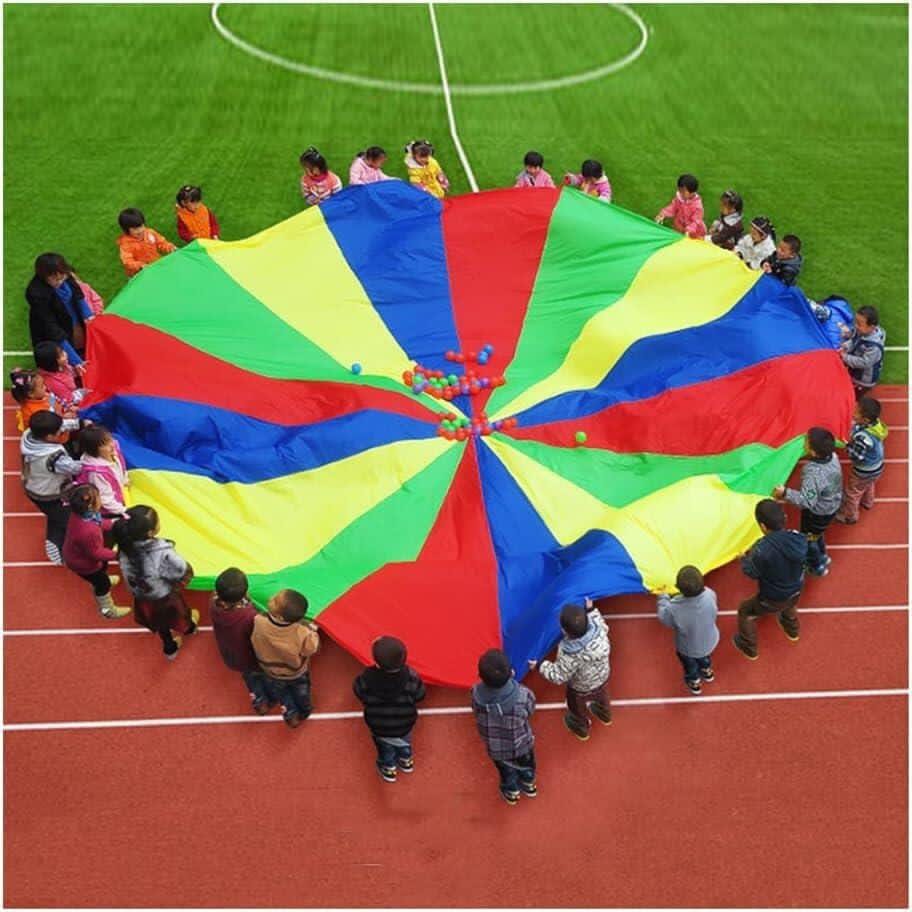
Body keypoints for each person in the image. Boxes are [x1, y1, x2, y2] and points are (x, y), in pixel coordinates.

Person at [113, 505, 198, 659]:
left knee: (160, 624)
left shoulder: (124, 548)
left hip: (143, 598)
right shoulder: (162, 551)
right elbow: (180, 569)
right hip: (163, 597)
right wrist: (179, 580)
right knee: (179, 614)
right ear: (150, 532)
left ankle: (169, 648)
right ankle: (189, 628)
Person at [733, 499, 808, 660]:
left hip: (772, 597)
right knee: (790, 605)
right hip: (796, 589)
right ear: (785, 518)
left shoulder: (761, 549)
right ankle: (792, 630)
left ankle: (749, 647)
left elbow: (751, 572)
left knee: (745, 611)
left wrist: (744, 559)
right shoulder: (798, 538)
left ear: (762, 527)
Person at [529, 598, 612, 740]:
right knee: (601, 695)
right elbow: (599, 621)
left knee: (575, 706)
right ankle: (604, 713)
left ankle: (579, 725)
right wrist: (591, 610)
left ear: (563, 630)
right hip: (602, 677)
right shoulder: (599, 630)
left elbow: (558, 676)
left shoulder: (569, 653)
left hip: (580, 688)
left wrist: (540, 665)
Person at [353, 636, 426, 782]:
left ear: (377, 662)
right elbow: (420, 695)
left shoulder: (365, 678)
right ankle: (406, 761)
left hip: (378, 725)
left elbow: (359, 693)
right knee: (404, 743)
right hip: (404, 723)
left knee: (385, 748)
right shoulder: (411, 677)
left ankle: (389, 768)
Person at [471, 648, 537, 805]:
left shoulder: (475, 694)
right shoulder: (523, 695)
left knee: (505, 770)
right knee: (527, 765)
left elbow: (474, 709)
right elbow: (530, 709)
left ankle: (511, 790)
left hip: (496, 748)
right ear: (511, 673)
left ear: (481, 676)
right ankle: (528, 784)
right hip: (522, 743)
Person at [774, 427, 843, 577]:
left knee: (808, 539)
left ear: (813, 452)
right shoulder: (834, 456)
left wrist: (785, 493)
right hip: (832, 505)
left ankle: (816, 565)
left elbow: (807, 501)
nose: (803, 443)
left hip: (818, 513)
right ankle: (823, 555)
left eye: (806, 442)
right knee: (817, 534)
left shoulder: (812, 472)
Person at [20, 410, 83, 565]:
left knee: (57, 515)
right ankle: (58, 547)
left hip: (35, 488)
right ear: (49, 437)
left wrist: (80, 423)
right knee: (68, 519)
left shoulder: (30, 435)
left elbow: (61, 425)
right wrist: (94, 460)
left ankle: (54, 538)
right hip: (50, 494)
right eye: (58, 432)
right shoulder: (54, 458)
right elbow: (75, 468)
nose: (61, 432)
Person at [251, 589, 320, 728]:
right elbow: (311, 649)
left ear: (281, 617)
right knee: (301, 692)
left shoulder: (259, 621)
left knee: (282, 693)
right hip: (295, 672)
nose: (271, 597)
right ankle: (304, 710)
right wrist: (313, 631)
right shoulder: (302, 632)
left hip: (270, 670)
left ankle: (290, 713)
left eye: (275, 600)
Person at [211, 567, 274, 714]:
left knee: (249, 677)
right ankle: (269, 696)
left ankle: (258, 698)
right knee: (262, 675)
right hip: (250, 657)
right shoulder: (248, 617)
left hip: (231, 654)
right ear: (245, 592)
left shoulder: (213, 603)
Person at [62, 484, 131, 619]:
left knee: (100, 577)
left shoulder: (83, 515)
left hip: (75, 555)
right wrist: (118, 555)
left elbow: (99, 522)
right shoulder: (88, 530)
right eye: (99, 497)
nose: (101, 499)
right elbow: (96, 553)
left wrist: (113, 523)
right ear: (89, 505)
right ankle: (107, 610)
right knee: (102, 585)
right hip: (84, 564)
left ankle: (102, 579)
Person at [656, 566, 720, 695]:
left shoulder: (674, 609)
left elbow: (664, 617)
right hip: (710, 641)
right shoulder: (710, 594)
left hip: (688, 649)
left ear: (678, 588)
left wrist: (663, 597)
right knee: (705, 657)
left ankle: (694, 681)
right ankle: (707, 671)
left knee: (690, 666)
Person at [26, 252, 94, 365]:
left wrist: (88, 315)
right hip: (53, 329)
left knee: (81, 344)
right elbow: (51, 328)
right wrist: (75, 361)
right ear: (44, 276)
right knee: (63, 362)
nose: (60, 281)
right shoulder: (36, 293)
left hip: (72, 319)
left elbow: (77, 293)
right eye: (55, 279)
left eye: (62, 277)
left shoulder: (65, 275)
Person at [835, 397, 888, 524]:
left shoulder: (862, 438)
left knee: (852, 492)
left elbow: (856, 456)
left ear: (865, 419)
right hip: (877, 466)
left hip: (863, 470)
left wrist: (847, 445)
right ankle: (868, 502)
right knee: (869, 484)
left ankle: (850, 516)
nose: (853, 413)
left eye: (856, 412)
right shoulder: (876, 425)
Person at [74, 425, 129, 518]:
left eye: (110, 439)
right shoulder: (96, 473)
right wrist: (124, 511)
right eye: (104, 444)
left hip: (118, 499)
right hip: (109, 511)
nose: (111, 445)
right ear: (93, 449)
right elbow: (105, 499)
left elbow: (121, 469)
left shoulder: (112, 452)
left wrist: (124, 480)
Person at [10, 368, 78, 436]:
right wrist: (64, 418)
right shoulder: (35, 413)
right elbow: (50, 427)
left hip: (59, 423)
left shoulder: (44, 396)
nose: (45, 387)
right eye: (42, 386)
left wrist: (67, 408)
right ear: (31, 394)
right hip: (50, 437)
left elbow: (56, 403)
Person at [840, 304, 885, 398]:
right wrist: (846, 346)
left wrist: (844, 356)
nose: (856, 326)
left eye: (859, 324)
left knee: (853, 397)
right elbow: (854, 340)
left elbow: (863, 362)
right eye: (856, 322)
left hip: (863, 381)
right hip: (856, 372)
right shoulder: (862, 331)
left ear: (871, 327)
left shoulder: (874, 347)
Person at [117, 208, 176, 277]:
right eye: (135, 229)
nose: (140, 230)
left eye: (141, 226)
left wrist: (170, 247)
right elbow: (127, 262)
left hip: (155, 265)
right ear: (126, 230)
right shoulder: (126, 244)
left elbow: (161, 243)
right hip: (139, 274)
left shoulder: (150, 233)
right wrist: (141, 266)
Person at [33, 341, 86, 411]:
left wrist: (76, 370)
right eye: (61, 354)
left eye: (62, 351)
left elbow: (70, 374)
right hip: (67, 405)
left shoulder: (61, 367)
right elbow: (69, 401)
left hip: (70, 396)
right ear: (54, 362)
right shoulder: (54, 383)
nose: (65, 353)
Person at [654, 173, 706, 238]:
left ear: (692, 192)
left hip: (694, 232)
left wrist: (688, 231)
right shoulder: (680, 198)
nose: (680, 193)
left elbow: (696, 221)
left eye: (683, 191)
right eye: (679, 190)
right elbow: (672, 207)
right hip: (679, 227)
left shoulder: (697, 206)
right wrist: (663, 214)